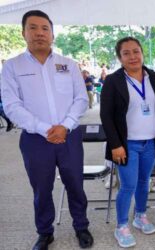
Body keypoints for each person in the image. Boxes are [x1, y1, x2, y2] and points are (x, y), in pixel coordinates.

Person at [0, 10, 93, 250]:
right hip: (35, 140)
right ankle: (45, 232)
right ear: (23, 33)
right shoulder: (12, 67)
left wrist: (65, 126)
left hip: (69, 137)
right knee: (41, 188)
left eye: (44, 28)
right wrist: (44, 129)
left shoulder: (68, 64)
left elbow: (81, 99)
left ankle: (81, 226)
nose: (39, 33)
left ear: (52, 34)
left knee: (75, 184)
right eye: (33, 28)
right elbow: (11, 106)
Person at [100, 37, 155, 248]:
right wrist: (116, 144)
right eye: (126, 53)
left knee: (144, 182)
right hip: (127, 144)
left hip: (149, 143)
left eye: (136, 51)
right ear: (120, 58)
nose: (132, 56)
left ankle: (140, 216)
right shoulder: (113, 81)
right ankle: (121, 226)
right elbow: (106, 116)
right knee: (128, 186)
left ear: (142, 53)